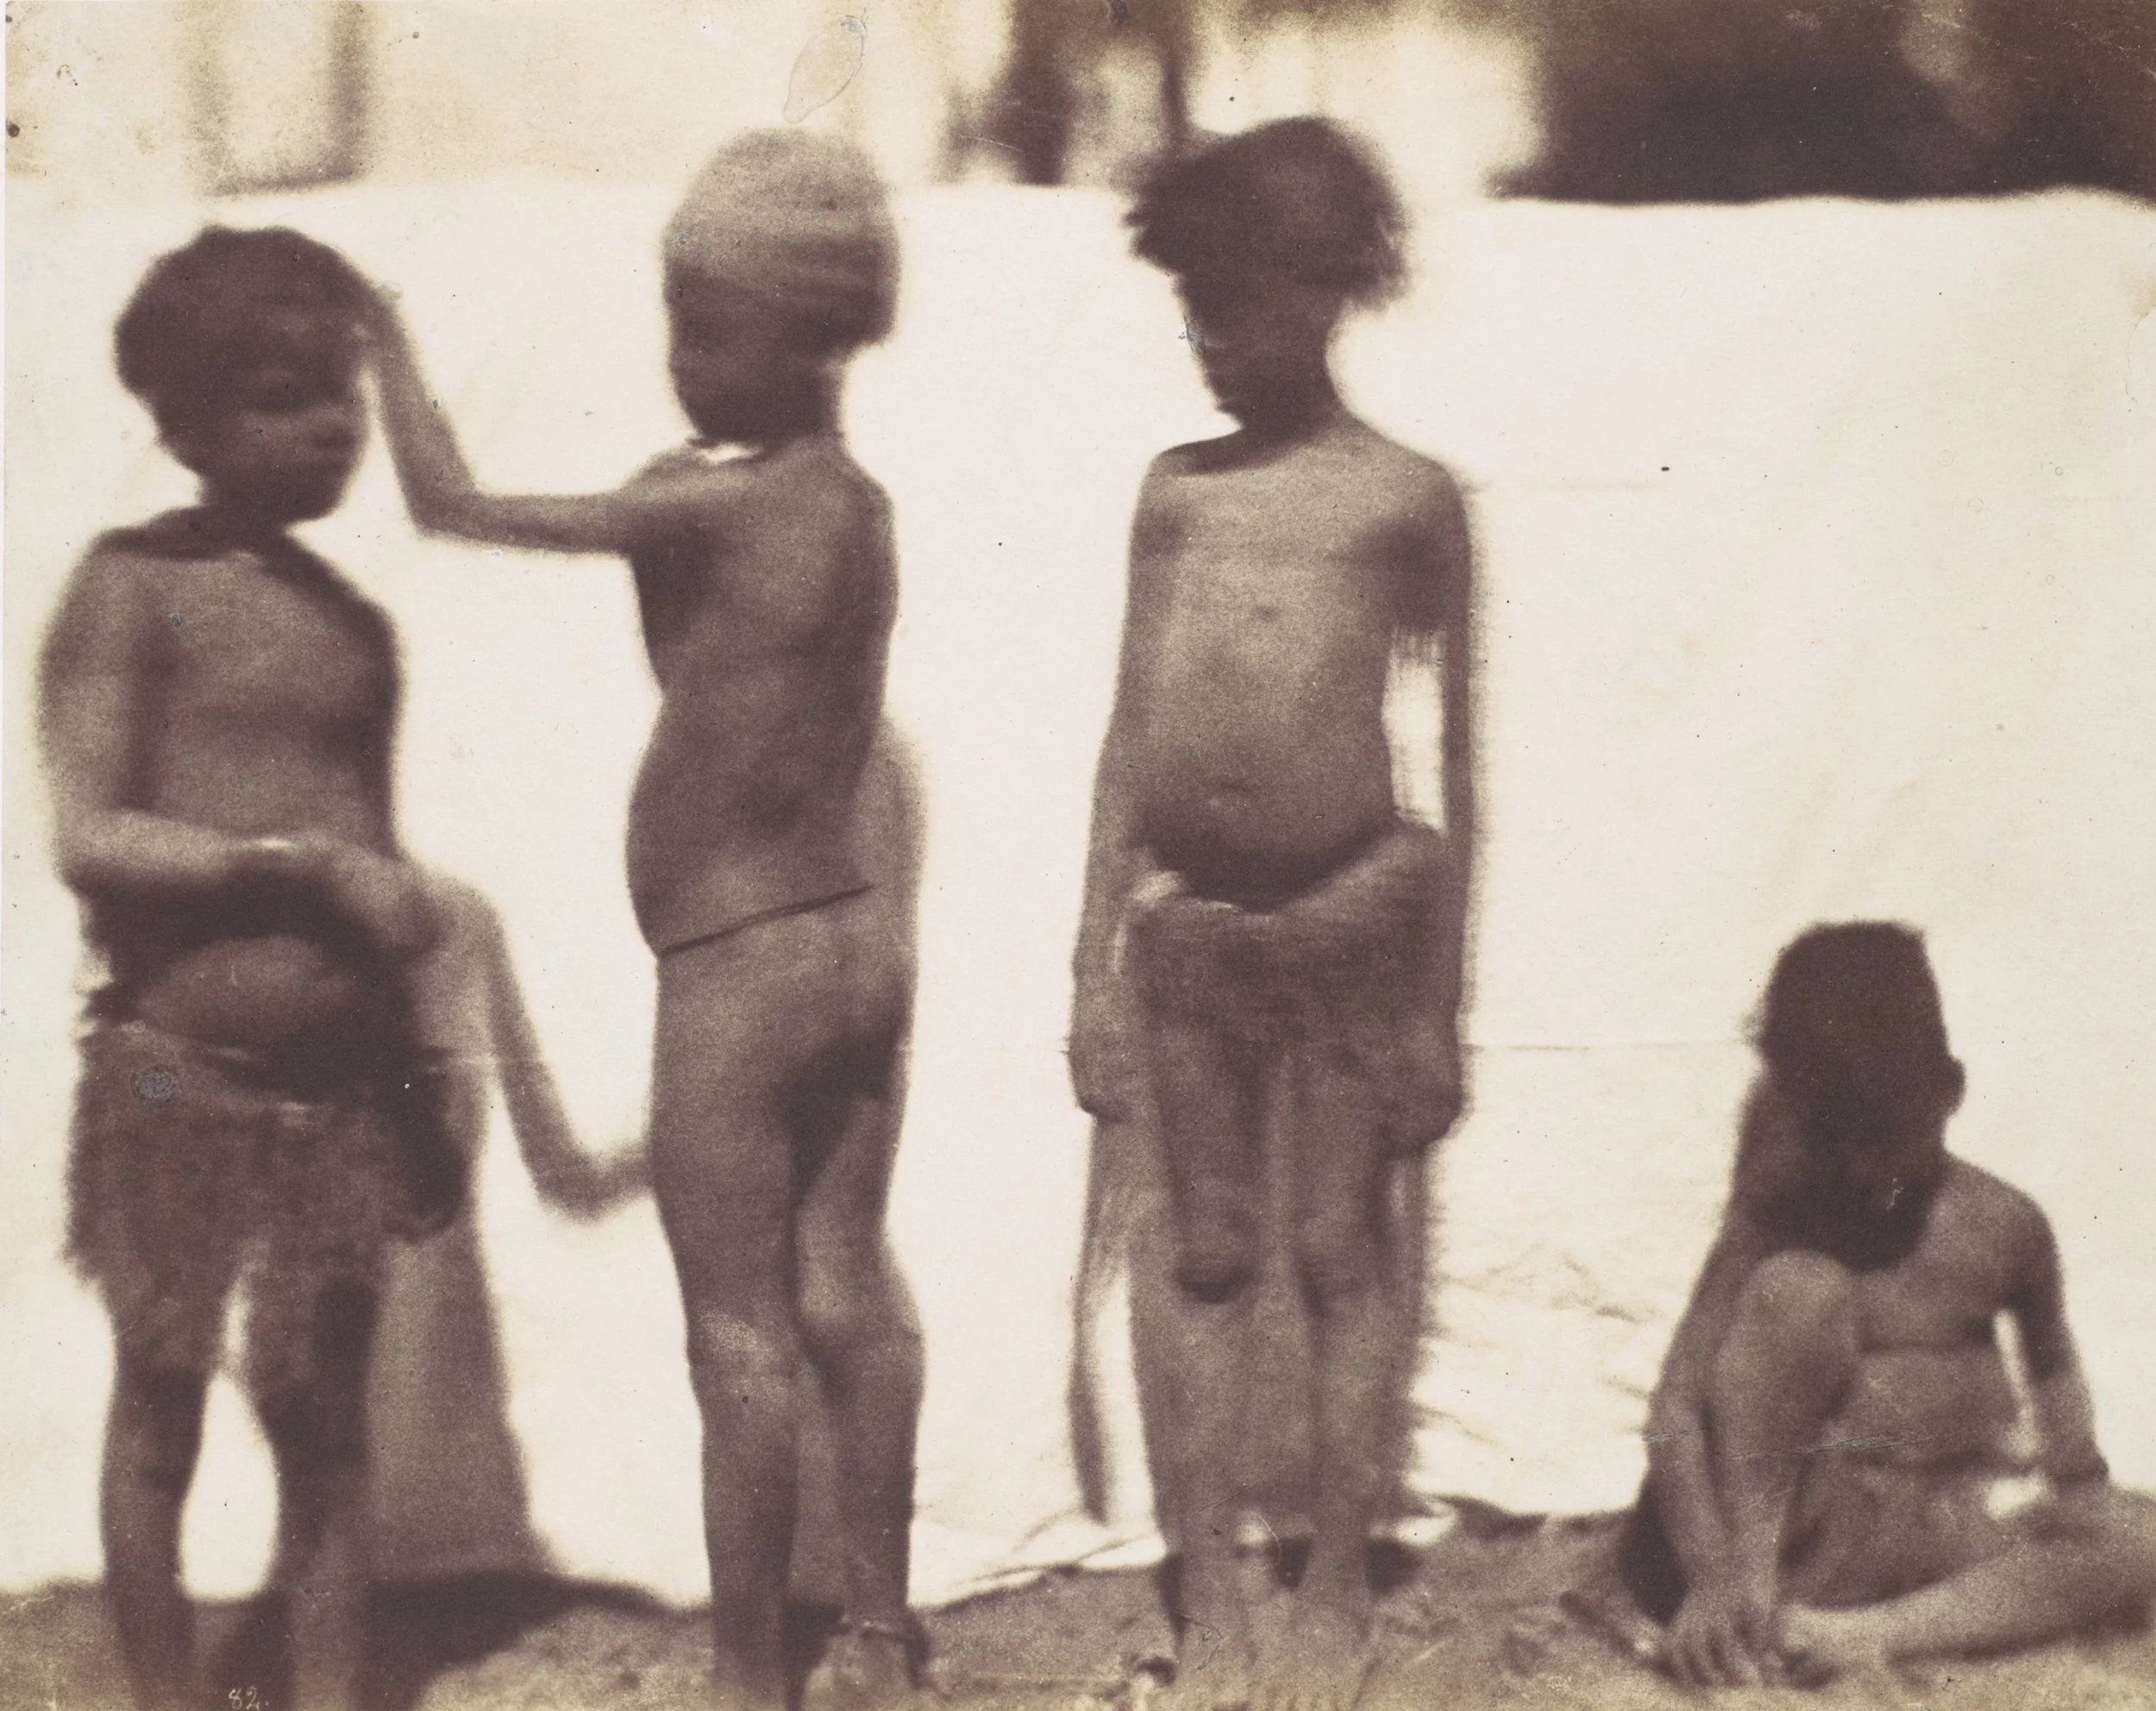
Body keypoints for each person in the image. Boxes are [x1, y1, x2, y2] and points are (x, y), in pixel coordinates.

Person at [365, 129, 926, 1710]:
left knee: (738, 1335)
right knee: (848, 1290)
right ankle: (879, 1637)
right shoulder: (858, 505)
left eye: (709, 329)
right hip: (856, 948)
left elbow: (448, 501)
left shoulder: (703, 508)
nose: (680, 359)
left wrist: (385, 337)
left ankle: (749, 1679)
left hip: (737, 965)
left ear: (814, 337)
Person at [1069, 118, 1476, 1711]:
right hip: (1190, 934)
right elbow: (1126, 733)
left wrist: (1440, 1002)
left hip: (1356, 920)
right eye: (1193, 313)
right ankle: (1215, 1583)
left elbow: (1454, 757)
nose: (1210, 343)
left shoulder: (1405, 498)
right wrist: (1088, 963)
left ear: (1323, 290)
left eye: (1233, 308)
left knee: (1337, 1247)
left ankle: (1338, 1578)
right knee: (1206, 1251)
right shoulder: (1177, 494)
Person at [37, 227, 461, 1711]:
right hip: (168, 1079)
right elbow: (90, 836)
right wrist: (292, 868)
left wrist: (417, 1087)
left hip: (334, 1097)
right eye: (286, 397)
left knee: (326, 1431)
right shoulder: (131, 587)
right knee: (161, 1402)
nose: (335, 425)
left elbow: (378, 867)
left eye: (342, 390)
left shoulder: (355, 626)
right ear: (188, 425)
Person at [1607, 922, 2156, 1688]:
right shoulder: (1774, 1219)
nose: (1866, 1173)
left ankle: (1854, 1636)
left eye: (1889, 1140)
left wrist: (2080, 1487)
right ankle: (1754, 1610)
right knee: (1799, 1290)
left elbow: (2055, 1373)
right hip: (1778, 1537)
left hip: (1915, 1535)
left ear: (1950, 1090)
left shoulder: (2005, 1225)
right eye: (1835, 1142)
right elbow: (1674, 1410)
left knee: (2134, 1542)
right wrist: (1715, 1572)